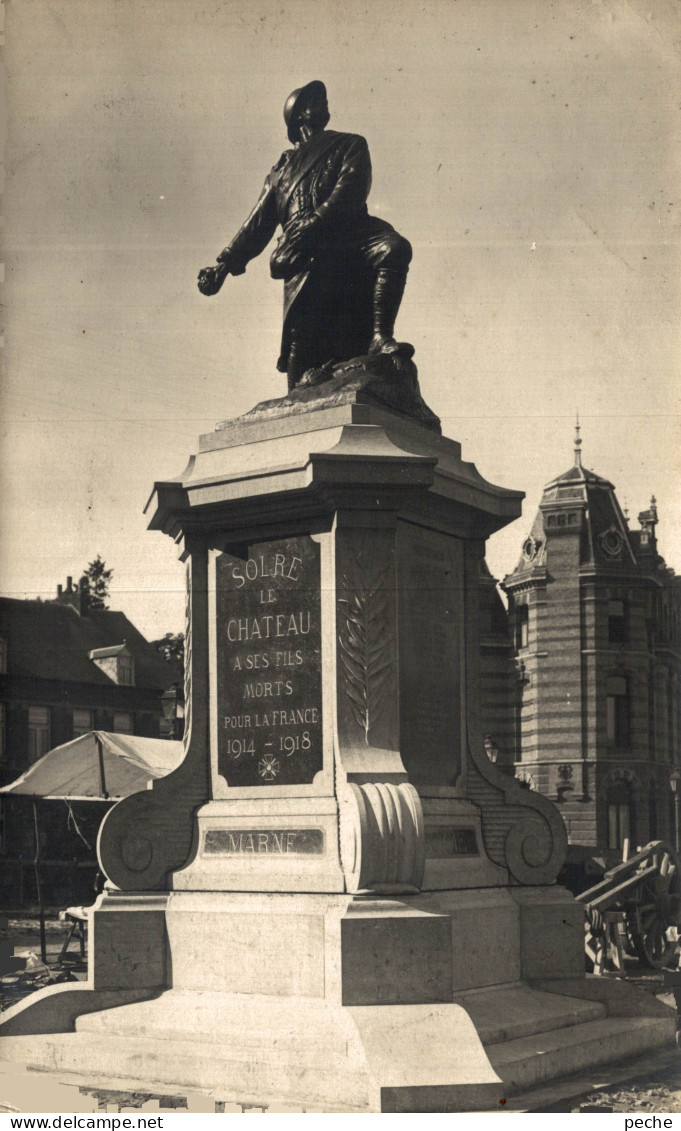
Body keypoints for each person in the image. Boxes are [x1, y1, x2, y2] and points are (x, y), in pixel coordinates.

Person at [198, 80, 412, 389]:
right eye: (316, 100)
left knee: (394, 247)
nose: (325, 104)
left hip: (348, 233)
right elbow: (258, 222)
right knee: (300, 371)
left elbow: (351, 188)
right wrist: (224, 266)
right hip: (304, 253)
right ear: (299, 115)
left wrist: (315, 221)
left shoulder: (350, 143)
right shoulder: (281, 171)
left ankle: (380, 337)